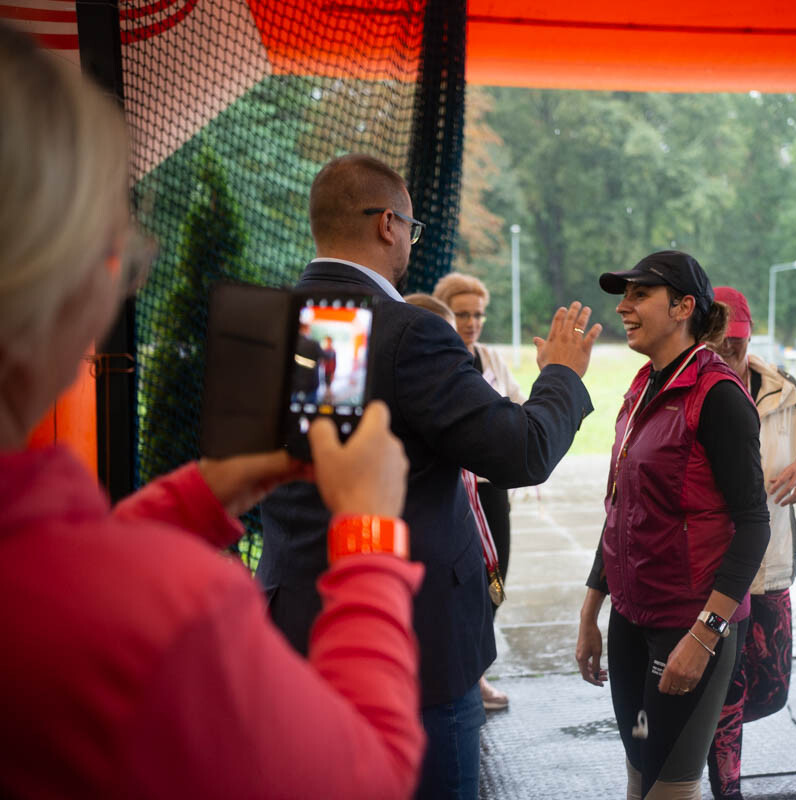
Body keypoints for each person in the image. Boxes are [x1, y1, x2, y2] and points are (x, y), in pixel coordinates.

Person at [0, 23, 425, 798]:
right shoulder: (170, 613)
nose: (120, 286)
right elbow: (369, 773)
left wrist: (200, 495)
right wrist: (367, 530)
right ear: (44, 285)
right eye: (114, 255)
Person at [258, 154, 601, 800]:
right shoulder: (407, 333)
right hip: (409, 651)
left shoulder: (275, 322)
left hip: (295, 633)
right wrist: (561, 375)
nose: (411, 242)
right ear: (388, 224)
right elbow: (520, 451)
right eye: (410, 228)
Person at [575, 251, 770, 800]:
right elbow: (622, 510)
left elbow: (754, 525)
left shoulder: (720, 397)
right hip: (631, 622)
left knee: (670, 789)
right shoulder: (642, 386)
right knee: (640, 777)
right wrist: (592, 610)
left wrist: (705, 634)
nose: (624, 306)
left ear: (684, 306)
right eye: (625, 295)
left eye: (640, 295)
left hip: (688, 627)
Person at [706, 287, 796, 800]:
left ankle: (701, 735)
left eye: (735, 341)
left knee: (772, 690)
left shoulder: (786, 389)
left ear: (750, 335)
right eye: (717, 341)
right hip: (718, 574)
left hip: (774, 566)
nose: (727, 352)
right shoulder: (699, 388)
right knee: (727, 696)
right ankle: (723, 785)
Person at [433, 271, 525, 711]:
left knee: (494, 580)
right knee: (458, 581)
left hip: (490, 489)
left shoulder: (490, 359)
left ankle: (475, 668)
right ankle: (471, 678)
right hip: (450, 489)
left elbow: (519, 410)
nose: (472, 323)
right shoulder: (436, 359)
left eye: (478, 314)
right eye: (463, 314)